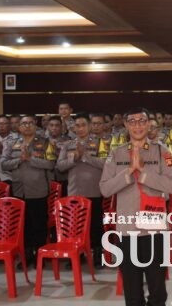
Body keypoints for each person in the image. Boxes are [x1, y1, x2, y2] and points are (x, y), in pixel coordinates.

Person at [100, 107, 172, 306]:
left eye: (142, 121)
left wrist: (143, 172)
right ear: (126, 125)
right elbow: (105, 188)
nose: (137, 126)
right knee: (132, 291)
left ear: (149, 124)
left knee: (158, 291)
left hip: (154, 229)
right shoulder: (116, 153)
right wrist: (128, 172)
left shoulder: (162, 152)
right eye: (132, 121)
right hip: (127, 230)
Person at [2, 114, 56, 267]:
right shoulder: (12, 143)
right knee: (23, 225)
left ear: (35, 125)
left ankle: (40, 255)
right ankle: (26, 254)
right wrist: (20, 159)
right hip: (19, 190)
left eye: (30, 123)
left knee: (39, 224)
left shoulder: (45, 142)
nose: (27, 126)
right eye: (24, 123)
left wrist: (30, 159)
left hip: (38, 189)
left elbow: (50, 164)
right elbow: (4, 164)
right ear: (19, 127)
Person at [56, 114, 108, 268]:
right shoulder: (68, 145)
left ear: (89, 126)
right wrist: (74, 158)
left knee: (96, 226)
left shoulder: (100, 142)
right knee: (75, 226)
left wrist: (84, 156)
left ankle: (97, 254)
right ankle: (77, 254)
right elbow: (60, 166)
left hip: (94, 191)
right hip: (74, 191)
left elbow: (106, 163)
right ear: (73, 128)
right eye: (77, 126)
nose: (80, 128)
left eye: (83, 125)